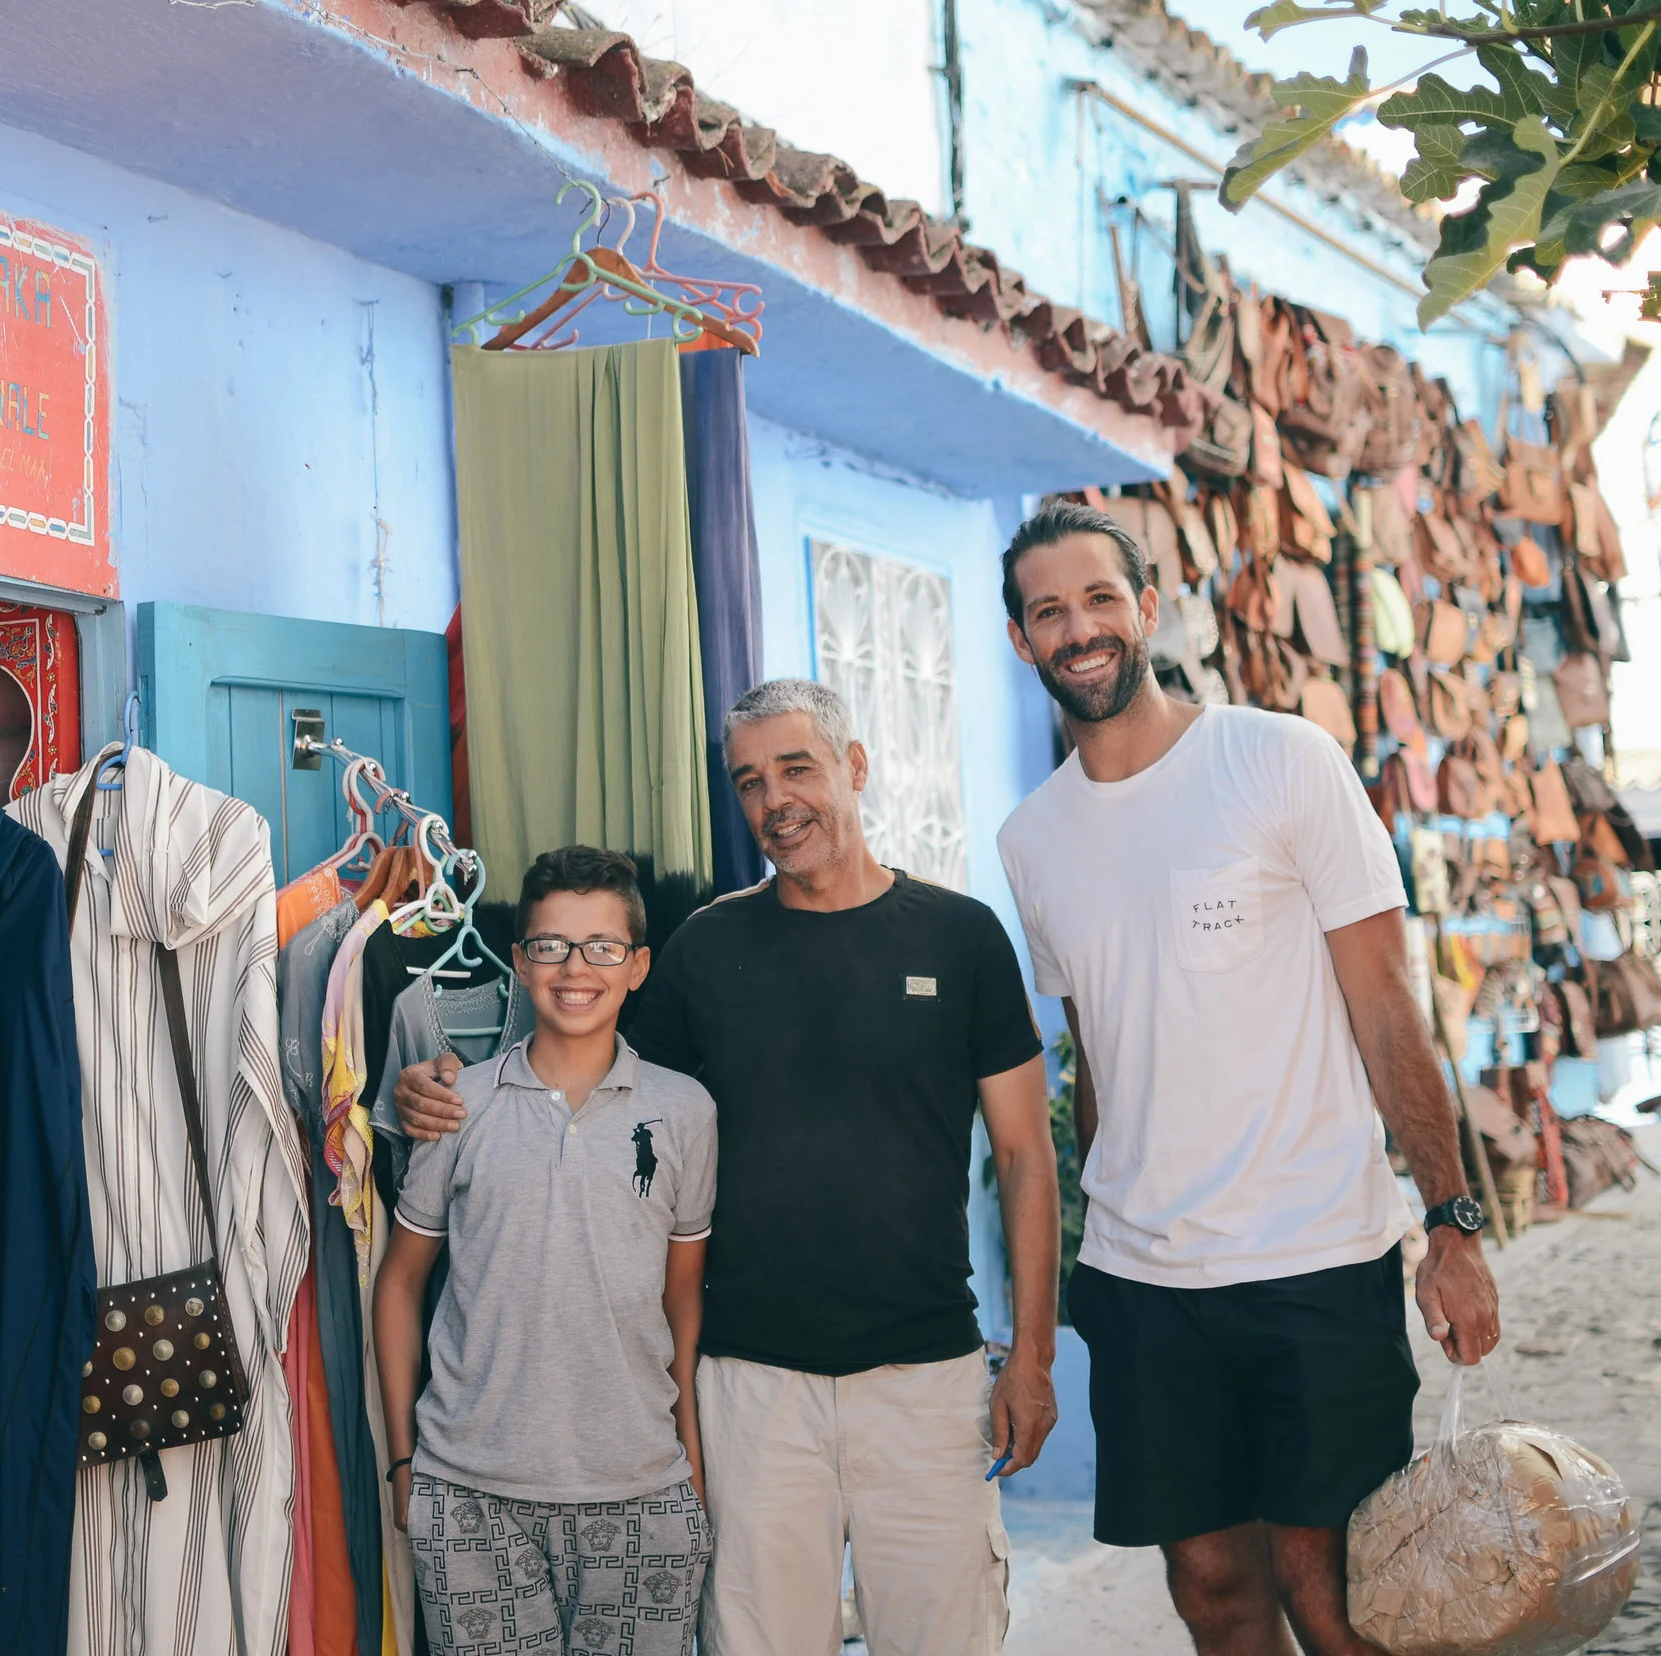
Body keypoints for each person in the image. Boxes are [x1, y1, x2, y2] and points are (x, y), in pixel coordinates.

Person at [392, 680, 1060, 1656]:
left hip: (925, 1377)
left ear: (855, 767)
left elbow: (1026, 1156)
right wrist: (446, 1080)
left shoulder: (960, 939)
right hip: (749, 1387)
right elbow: (592, 1072)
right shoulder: (707, 948)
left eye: (797, 768)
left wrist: (1033, 1359)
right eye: (749, 782)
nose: (774, 800)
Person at [992, 501, 1501, 1656]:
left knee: (1337, 1598)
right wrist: (1093, 1256)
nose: (1078, 629)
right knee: (1210, 1586)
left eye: (1099, 599)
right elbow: (1100, 1057)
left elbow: (1386, 1009)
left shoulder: (1277, 760)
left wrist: (1452, 1224)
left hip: (1312, 1259)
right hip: (1145, 1283)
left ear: (1147, 609)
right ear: (1021, 640)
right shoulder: (1032, 840)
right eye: (1048, 612)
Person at [373, 845, 718, 1656]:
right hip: (469, 1495)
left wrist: (692, 1473)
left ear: (637, 966)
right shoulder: (458, 1103)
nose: (575, 968)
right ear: (521, 961)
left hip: (641, 1496)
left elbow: (681, 1303)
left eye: (601, 946)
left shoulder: (685, 1112)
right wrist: (404, 1465)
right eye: (552, 945)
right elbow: (400, 1284)